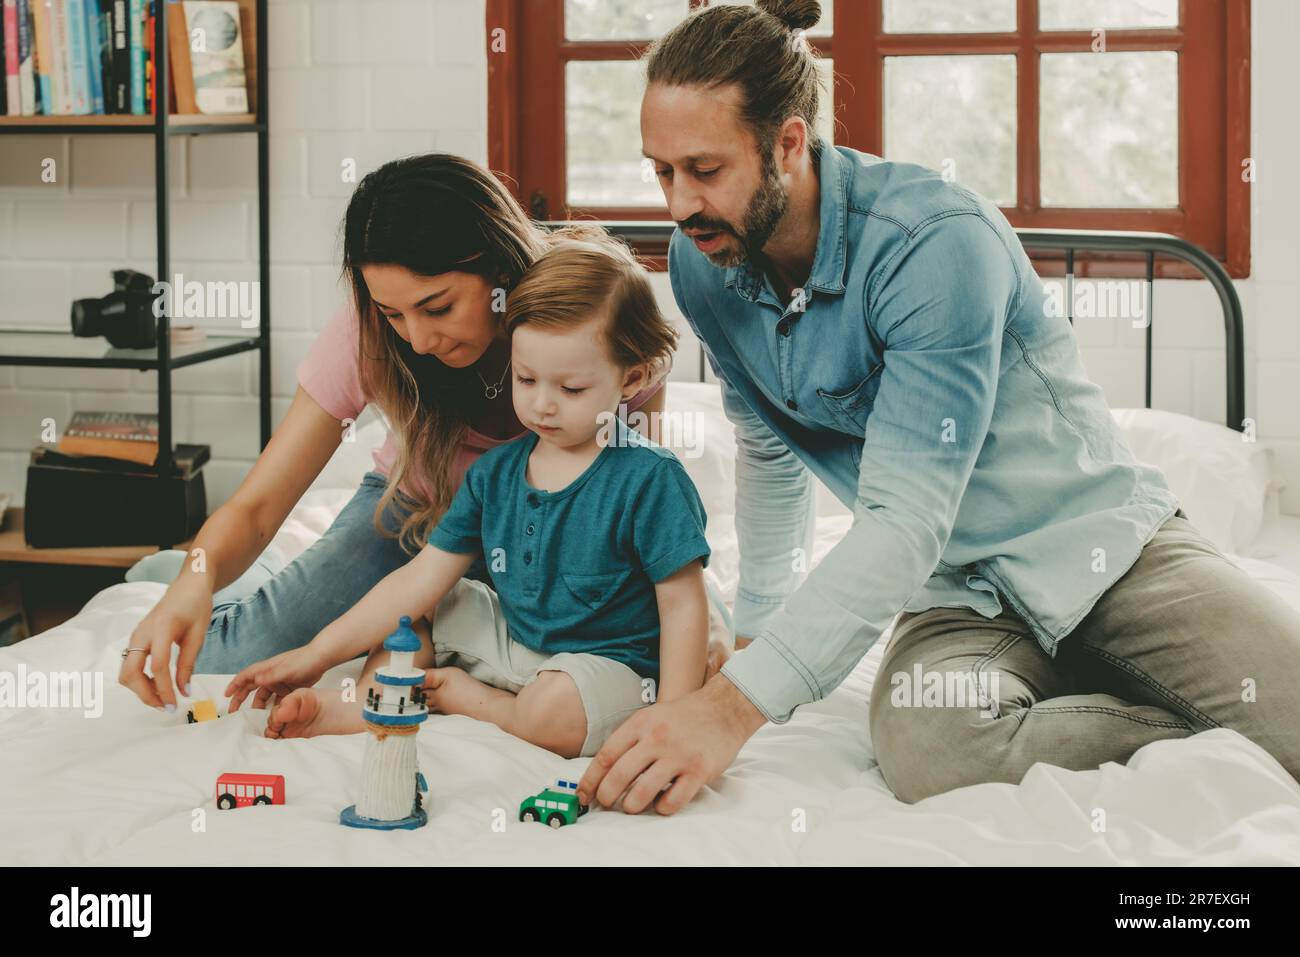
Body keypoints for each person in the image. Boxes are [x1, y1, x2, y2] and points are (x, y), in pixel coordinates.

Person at [578, 0, 1300, 812]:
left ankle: (1187, 693)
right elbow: (771, 449)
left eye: (704, 170)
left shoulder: (932, 243)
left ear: (787, 142)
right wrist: (759, 633)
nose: (678, 204)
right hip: (954, 594)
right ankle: (1178, 720)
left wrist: (732, 706)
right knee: (932, 746)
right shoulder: (703, 264)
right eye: (660, 170)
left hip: (1104, 555)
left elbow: (904, 514)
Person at [119, 154, 735, 713]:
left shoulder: (596, 322)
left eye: (437, 307)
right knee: (240, 655)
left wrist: (694, 606)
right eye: (393, 314)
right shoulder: (368, 335)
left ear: (499, 269)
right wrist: (195, 577)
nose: (415, 338)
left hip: (550, 529)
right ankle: (207, 573)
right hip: (416, 514)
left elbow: (631, 493)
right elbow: (256, 506)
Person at [222, 233, 713, 759]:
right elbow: (420, 578)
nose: (543, 405)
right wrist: (317, 654)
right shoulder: (496, 473)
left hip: (605, 665)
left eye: (570, 390)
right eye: (525, 380)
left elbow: (683, 604)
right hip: (516, 644)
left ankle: (474, 701)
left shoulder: (650, 480)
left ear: (630, 378)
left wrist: (674, 717)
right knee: (415, 616)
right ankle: (367, 705)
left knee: (556, 711)